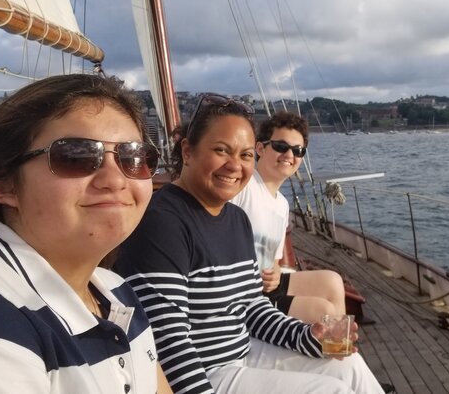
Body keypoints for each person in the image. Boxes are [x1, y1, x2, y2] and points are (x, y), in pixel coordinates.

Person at [113, 94, 384, 394]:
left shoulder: (237, 220)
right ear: (188, 151)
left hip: (244, 353)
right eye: (221, 150)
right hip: (205, 371)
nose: (234, 166)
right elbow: (166, 340)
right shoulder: (163, 221)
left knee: (349, 364)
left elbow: (252, 307)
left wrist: (307, 336)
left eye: (244, 155)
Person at [0, 74, 172, 393]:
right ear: (3, 183)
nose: (115, 180)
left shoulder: (115, 291)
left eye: (133, 157)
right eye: (76, 155)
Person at [231, 112, 345, 323]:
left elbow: (273, 261)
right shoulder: (243, 187)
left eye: (297, 150)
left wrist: (274, 271)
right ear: (260, 148)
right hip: (244, 294)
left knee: (332, 281)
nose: (289, 155)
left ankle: (337, 345)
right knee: (322, 310)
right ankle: (331, 344)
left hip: (266, 286)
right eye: (281, 147)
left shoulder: (282, 205)